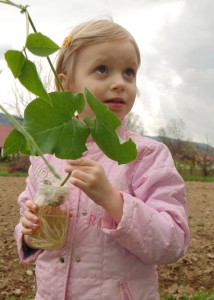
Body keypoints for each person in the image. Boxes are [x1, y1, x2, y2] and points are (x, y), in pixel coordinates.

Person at [15, 19, 189, 300]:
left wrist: (112, 200)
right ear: (66, 83)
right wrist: (28, 231)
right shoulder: (46, 155)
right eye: (102, 69)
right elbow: (27, 219)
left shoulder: (146, 155)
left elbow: (173, 241)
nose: (120, 82)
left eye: (129, 72)